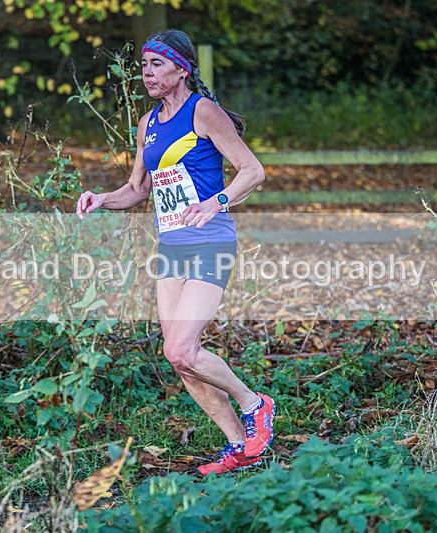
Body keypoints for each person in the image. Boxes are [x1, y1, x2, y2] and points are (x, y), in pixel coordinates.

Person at [76, 29, 275, 476]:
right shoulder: (148, 124)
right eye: (143, 65)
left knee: (183, 349)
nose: (146, 73)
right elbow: (136, 189)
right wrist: (100, 198)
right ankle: (241, 447)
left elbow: (253, 171)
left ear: (181, 69)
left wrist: (215, 201)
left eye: (157, 65)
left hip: (210, 241)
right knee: (179, 358)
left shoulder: (203, 112)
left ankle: (255, 403)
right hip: (171, 248)